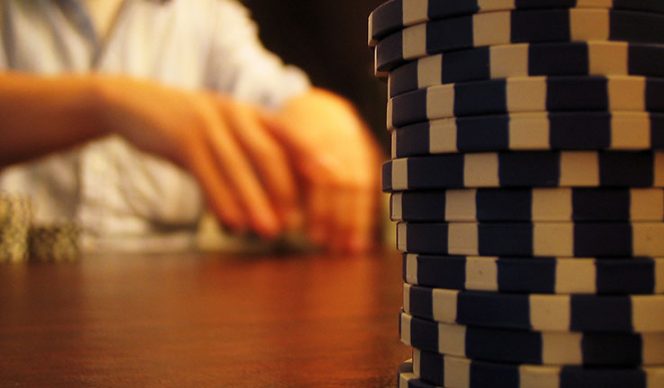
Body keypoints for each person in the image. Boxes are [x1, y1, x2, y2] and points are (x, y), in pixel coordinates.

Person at [0, 0, 381, 254]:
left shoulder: (208, 15)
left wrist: (325, 120)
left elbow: (283, 100)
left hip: (164, 325)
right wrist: (107, 102)